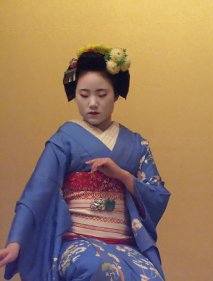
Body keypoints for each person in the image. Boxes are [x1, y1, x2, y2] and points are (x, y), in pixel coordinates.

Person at [0, 44, 170, 281]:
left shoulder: (136, 144)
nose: (92, 103)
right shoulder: (65, 139)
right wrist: (16, 241)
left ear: (116, 94)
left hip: (124, 244)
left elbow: (157, 194)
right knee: (95, 267)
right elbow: (36, 192)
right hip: (78, 242)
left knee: (151, 276)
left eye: (101, 95)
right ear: (75, 94)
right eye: (84, 94)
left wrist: (122, 175)